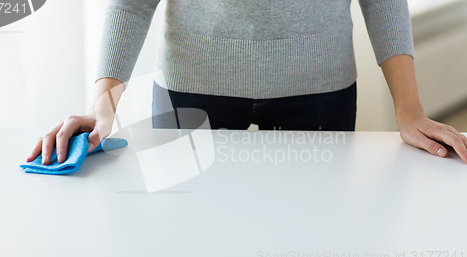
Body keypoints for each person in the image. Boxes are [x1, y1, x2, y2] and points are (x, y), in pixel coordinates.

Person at [26, 0, 467, 165]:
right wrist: (103, 109)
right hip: (191, 88)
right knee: (189, 237)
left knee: (311, 235)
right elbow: (132, 4)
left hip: (318, 91)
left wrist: (409, 110)